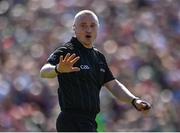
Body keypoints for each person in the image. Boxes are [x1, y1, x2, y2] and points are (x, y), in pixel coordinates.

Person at [40, 10, 151, 132]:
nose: (88, 29)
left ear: (98, 29)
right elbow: (44, 71)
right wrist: (58, 69)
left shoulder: (98, 57)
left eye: (92, 26)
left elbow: (113, 85)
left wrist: (134, 100)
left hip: (90, 122)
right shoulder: (66, 51)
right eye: (83, 25)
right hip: (71, 121)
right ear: (74, 28)